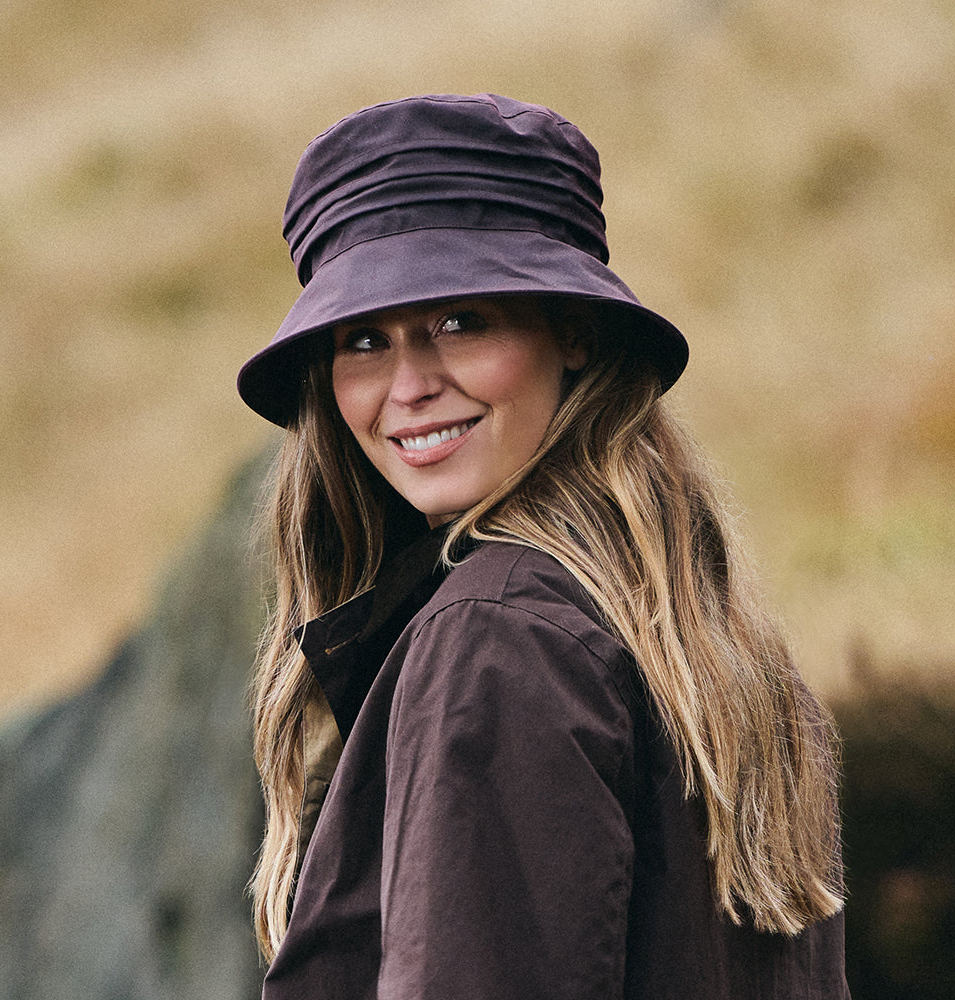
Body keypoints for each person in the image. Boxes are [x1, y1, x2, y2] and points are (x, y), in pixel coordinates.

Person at [236, 93, 850, 999]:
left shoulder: (496, 638)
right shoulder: (712, 653)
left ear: (573, 331)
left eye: (458, 322)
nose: (407, 385)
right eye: (363, 340)